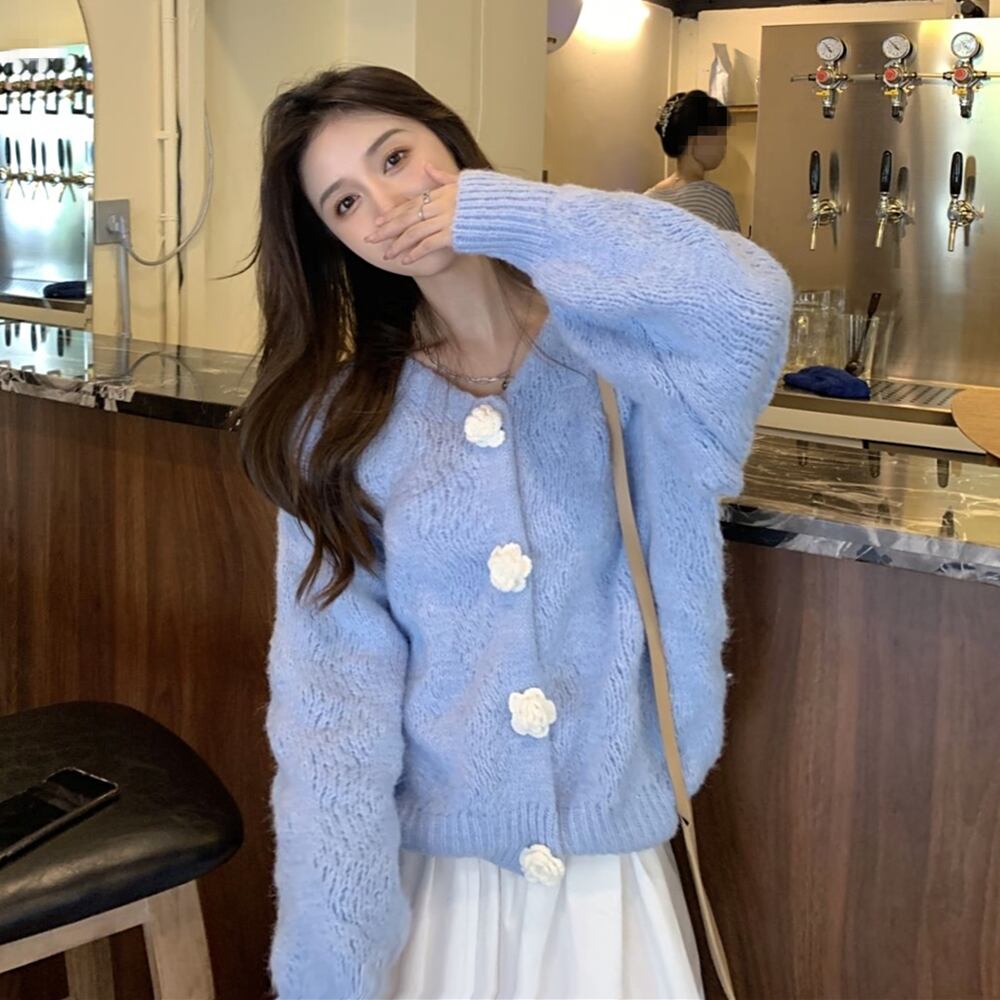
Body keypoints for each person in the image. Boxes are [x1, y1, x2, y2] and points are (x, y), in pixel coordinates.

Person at [237, 65, 791, 999]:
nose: (385, 205)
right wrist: (332, 970)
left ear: (448, 144)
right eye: (346, 202)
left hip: (608, 886)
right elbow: (330, 718)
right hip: (440, 895)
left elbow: (748, 304)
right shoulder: (340, 430)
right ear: (336, 241)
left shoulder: (633, 362)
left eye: (396, 158)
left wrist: (503, 214)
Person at [646, 90, 741, 233]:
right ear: (698, 138)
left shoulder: (648, 199)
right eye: (721, 134)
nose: (725, 144)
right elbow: (733, 247)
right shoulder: (715, 200)